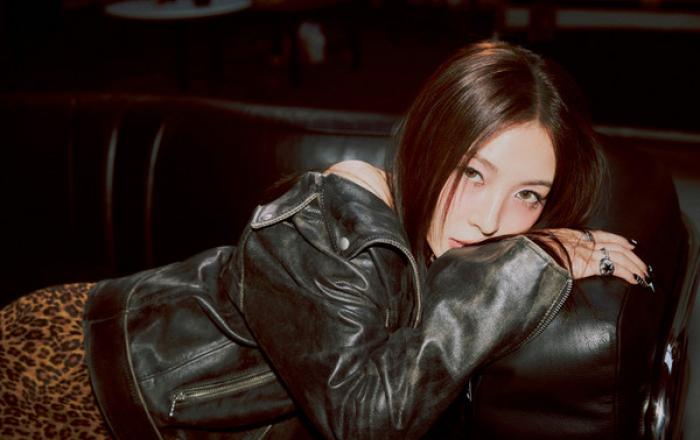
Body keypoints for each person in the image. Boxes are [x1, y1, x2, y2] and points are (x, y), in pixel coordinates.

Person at [0, 40, 652, 439]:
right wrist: (521, 264)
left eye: (528, 195)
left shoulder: (451, 251)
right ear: (429, 149)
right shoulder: (326, 220)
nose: (490, 219)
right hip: (66, 378)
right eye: (471, 173)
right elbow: (364, 418)